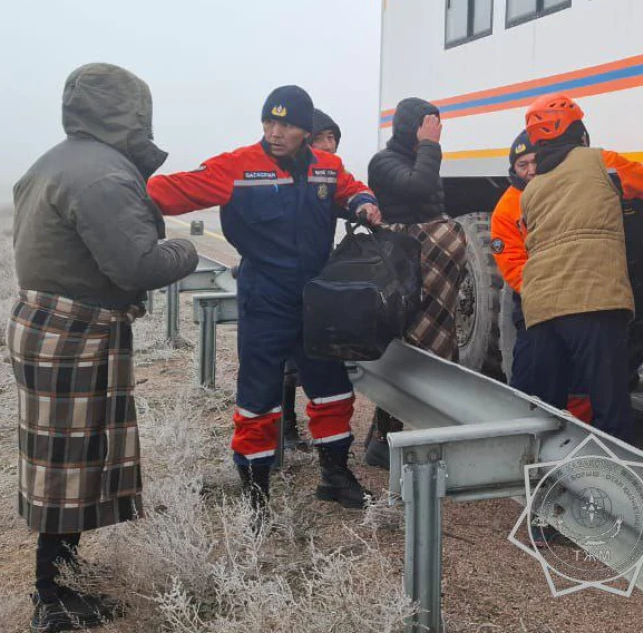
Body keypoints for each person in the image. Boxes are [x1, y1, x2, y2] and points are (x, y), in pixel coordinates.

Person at [9, 64, 199, 632]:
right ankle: (53, 598)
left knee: (65, 461)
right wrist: (187, 250)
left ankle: (64, 581)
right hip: (75, 335)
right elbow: (135, 264)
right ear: (129, 112)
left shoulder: (55, 160)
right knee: (68, 464)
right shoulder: (103, 176)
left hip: (49, 325)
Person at [147, 86, 382, 517]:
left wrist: (364, 203)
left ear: (305, 130)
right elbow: (171, 191)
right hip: (265, 294)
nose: (274, 132)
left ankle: (335, 476)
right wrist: (121, 186)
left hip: (315, 296)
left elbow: (351, 189)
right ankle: (256, 494)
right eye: (268, 123)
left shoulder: (326, 168)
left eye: (286, 124)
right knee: (258, 394)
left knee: (331, 389)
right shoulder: (237, 166)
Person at [517, 94, 643, 441]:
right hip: (594, 301)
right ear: (578, 131)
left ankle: (551, 484)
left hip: (542, 309)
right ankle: (614, 486)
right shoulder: (600, 161)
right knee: (611, 412)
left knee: (549, 412)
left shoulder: (530, 190)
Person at [363, 97, 467, 468]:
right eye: (430, 124)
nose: (437, 130)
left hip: (436, 273)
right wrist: (430, 146)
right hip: (408, 265)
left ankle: (428, 434)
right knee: (405, 344)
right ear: (414, 127)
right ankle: (383, 438)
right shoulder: (385, 161)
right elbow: (418, 189)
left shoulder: (421, 155)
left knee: (440, 343)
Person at [280, 106, 343, 452]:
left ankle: (317, 432)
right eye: (322, 137)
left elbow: (349, 199)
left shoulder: (330, 176)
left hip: (315, 275)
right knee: (285, 356)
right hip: (281, 276)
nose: (330, 144)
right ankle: (284, 428)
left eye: (333, 137)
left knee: (310, 351)